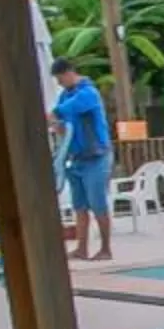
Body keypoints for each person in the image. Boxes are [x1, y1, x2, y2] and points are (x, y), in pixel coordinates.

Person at [49, 58, 113, 262]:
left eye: (60, 79)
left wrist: (54, 116)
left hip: (96, 157)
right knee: (80, 205)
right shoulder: (64, 95)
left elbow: (66, 110)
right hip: (75, 157)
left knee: (97, 203)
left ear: (69, 73)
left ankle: (105, 248)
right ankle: (82, 248)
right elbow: (60, 123)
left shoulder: (88, 93)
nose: (59, 84)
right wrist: (57, 124)